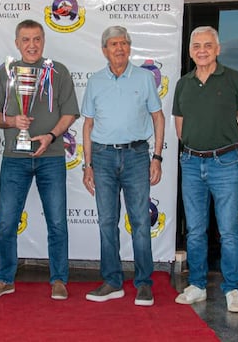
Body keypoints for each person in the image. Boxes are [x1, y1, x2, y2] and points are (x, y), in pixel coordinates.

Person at [0, 19, 79, 300]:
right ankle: (5, 278)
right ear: (16, 43)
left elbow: (69, 113)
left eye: (37, 39)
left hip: (50, 157)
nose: (32, 45)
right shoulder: (6, 72)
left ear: (44, 41)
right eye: (25, 40)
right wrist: (12, 120)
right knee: (6, 222)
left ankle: (59, 279)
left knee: (57, 222)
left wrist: (51, 135)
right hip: (15, 158)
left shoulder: (58, 71)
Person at [82, 25, 164, 307]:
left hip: (137, 156)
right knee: (107, 222)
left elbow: (158, 117)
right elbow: (88, 125)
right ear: (104, 50)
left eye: (124, 43)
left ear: (129, 47)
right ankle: (112, 282)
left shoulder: (144, 78)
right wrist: (87, 164)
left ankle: (144, 284)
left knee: (141, 222)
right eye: (114, 44)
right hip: (102, 158)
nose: (119, 48)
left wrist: (157, 157)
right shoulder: (95, 81)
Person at [172, 26, 238, 312]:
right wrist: (199, 146)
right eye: (196, 46)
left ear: (218, 49)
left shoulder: (234, 79)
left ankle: (232, 288)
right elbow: (180, 126)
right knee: (195, 230)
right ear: (190, 50)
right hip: (191, 163)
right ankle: (197, 285)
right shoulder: (183, 83)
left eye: (208, 45)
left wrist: (225, 146)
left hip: (225, 164)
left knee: (229, 230)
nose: (202, 50)